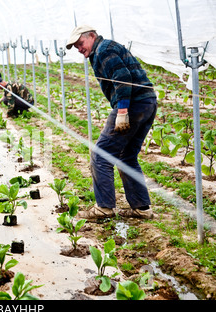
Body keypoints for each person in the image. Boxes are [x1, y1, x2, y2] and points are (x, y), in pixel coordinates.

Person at [66, 25, 157, 220]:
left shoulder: (104, 49)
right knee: (127, 156)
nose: (80, 49)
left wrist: (122, 111)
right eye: (76, 47)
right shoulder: (101, 50)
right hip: (147, 102)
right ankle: (141, 208)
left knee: (100, 155)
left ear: (92, 36)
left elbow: (123, 77)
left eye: (80, 44)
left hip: (133, 105)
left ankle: (104, 208)